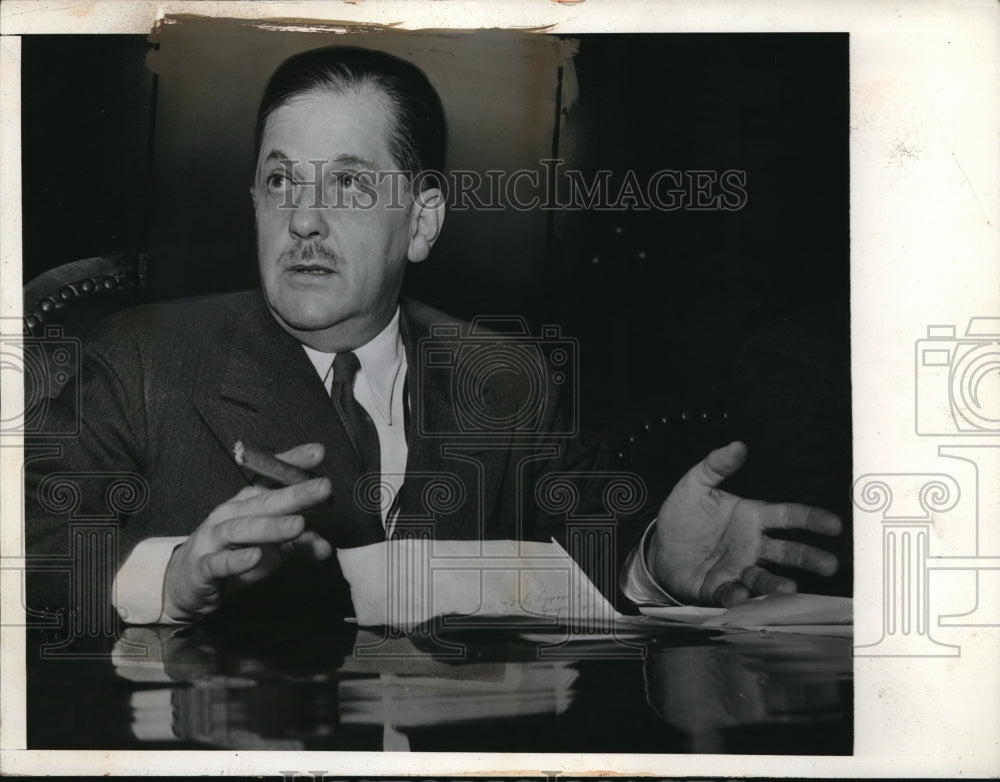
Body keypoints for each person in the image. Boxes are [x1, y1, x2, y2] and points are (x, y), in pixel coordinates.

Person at [25, 46, 841, 626]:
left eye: (347, 182)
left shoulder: (506, 378)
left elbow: (584, 536)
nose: (303, 217)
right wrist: (176, 578)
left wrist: (658, 560)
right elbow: (38, 552)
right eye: (280, 181)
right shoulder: (137, 357)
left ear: (423, 220)